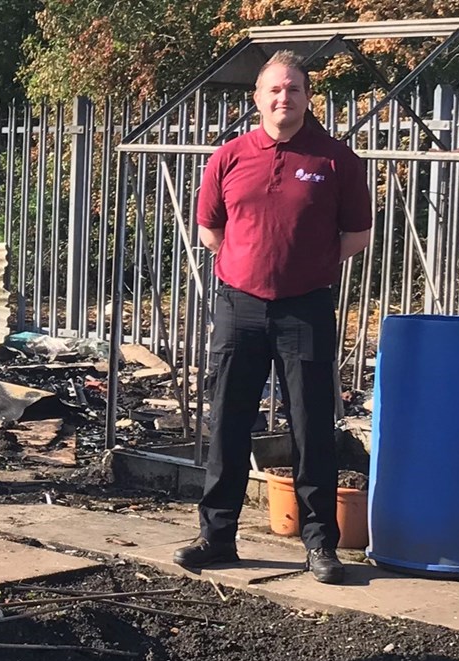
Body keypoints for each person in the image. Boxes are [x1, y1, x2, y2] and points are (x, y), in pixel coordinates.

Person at [171, 50, 372, 586]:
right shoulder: (231, 156)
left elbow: (357, 234)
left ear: (308, 98)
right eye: (275, 90)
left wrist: (307, 267)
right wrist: (245, 267)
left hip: (305, 307)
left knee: (311, 427)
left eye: (295, 90)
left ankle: (320, 545)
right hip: (239, 306)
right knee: (229, 423)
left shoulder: (335, 160)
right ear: (258, 99)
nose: (285, 98)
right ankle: (217, 538)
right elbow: (210, 227)